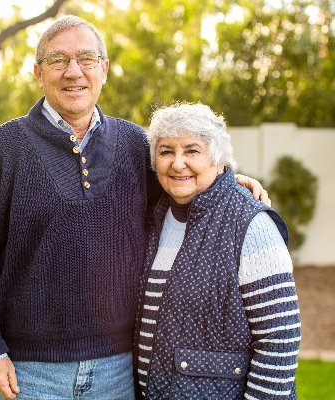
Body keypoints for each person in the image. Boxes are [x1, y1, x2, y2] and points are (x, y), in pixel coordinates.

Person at [0, 16, 269, 400]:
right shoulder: (3, 149)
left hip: (120, 368)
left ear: (103, 69)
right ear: (38, 72)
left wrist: (227, 182)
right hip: (31, 373)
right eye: (58, 61)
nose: (74, 72)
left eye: (86, 59)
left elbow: (181, 185)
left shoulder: (136, 144)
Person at [135, 103, 300, 399]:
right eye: (166, 151)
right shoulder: (155, 216)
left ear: (219, 160)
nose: (178, 163)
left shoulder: (251, 224)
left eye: (192, 150)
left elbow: (280, 339)